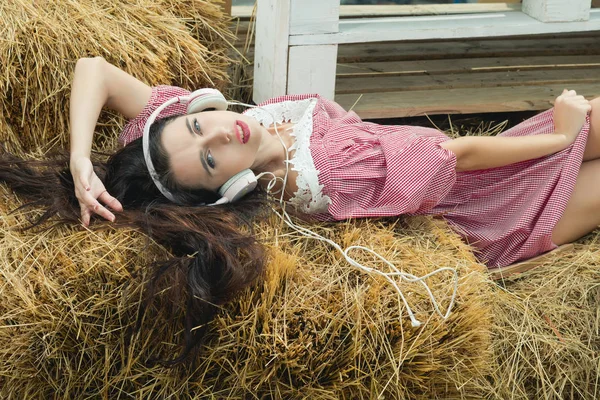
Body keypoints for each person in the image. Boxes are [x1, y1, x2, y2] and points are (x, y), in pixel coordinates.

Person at [1, 56, 597, 363]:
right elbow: (453, 154)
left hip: (490, 168)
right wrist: (556, 137)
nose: (221, 134)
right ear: (229, 193)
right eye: (210, 161)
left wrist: (84, 163)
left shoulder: (222, 127)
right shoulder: (324, 170)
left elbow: (93, 71)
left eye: (199, 123)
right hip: (493, 212)